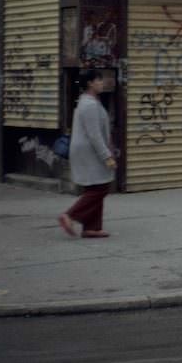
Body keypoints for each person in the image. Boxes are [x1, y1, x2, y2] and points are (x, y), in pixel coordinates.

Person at [57, 69, 116, 239]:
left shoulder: (89, 102)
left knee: (96, 186)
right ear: (90, 83)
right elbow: (94, 135)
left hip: (87, 151)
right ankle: (70, 215)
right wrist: (107, 156)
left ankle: (92, 228)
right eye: (99, 80)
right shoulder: (89, 105)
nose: (102, 83)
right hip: (89, 152)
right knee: (100, 188)